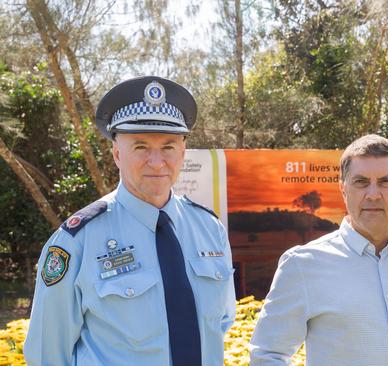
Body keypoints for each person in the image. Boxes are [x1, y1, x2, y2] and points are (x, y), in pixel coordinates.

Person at [24, 76, 236, 366]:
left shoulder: (210, 230)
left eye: (168, 147)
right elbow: (47, 355)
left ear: (183, 152)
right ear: (116, 154)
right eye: (140, 147)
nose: (157, 161)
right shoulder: (77, 241)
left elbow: (219, 326)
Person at [249, 134, 388, 366]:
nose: (373, 194)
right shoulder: (303, 264)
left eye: (385, 182)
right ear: (343, 189)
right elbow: (267, 354)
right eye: (361, 182)